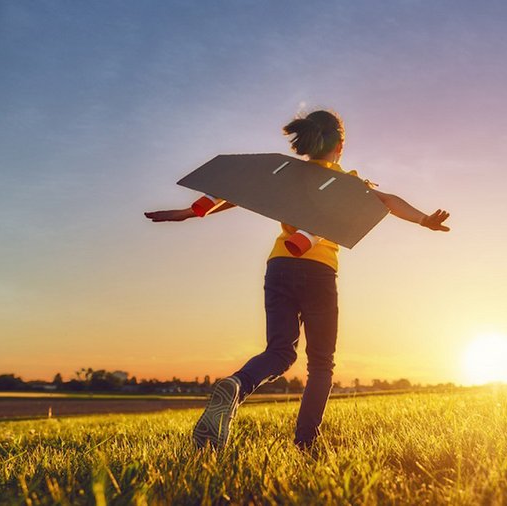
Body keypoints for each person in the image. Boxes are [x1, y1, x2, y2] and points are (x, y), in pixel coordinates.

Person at [144, 110, 450, 450]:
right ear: (340, 146)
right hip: (318, 271)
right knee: (321, 362)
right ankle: (305, 443)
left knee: (278, 351)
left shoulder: (288, 174)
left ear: (306, 143)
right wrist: (424, 220)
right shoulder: (347, 183)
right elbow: (389, 202)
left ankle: (237, 383)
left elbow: (239, 194)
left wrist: (192, 212)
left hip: (279, 266)